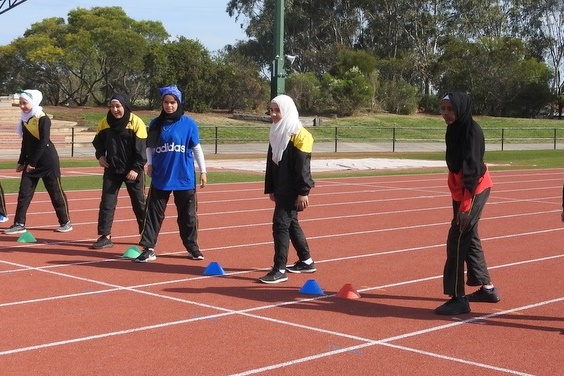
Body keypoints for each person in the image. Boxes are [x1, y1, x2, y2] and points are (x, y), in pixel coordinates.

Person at [434, 92, 500, 315]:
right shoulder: (454, 129)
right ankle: (488, 289)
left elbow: (471, 172)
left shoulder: (471, 131)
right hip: (460, 189)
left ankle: (458, 297)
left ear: (460, 109)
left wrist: (464, 207)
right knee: (469, 239)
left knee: (457, 239)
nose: (445, 114)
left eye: (450, 109)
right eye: (443, 109)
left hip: (473, 189)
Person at [134, 84, 207, 262]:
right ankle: (148, 248)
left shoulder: (189, 124)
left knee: (188, 216)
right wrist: (149, 164)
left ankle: (192, 248)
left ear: (178, 103)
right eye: (166, 102)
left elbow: (196, 148)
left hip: (184, 177)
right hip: (161, 177)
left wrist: (203, 171)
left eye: (172, 102)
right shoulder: (155, 123)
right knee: (153, 215)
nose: (169, 106)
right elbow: (150, 148)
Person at [258, 94, 316, 284]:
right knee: (291, 224)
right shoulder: (276, 131)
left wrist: (303, 191)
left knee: (280, 225)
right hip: (281, 187)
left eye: (277, 110)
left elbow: (302, 167)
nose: (273, 114)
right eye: (271, 110)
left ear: (287, 110)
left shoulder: (300, 135)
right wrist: (272, 188)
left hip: (293, 189)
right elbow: (271, 163)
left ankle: (279, 269)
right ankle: (306, 261)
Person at [4, 89, 72, 235]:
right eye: (20, 103)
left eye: (25, 103)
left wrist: (33, 162)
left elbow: (43, 142)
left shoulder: (42, 118)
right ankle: (19, 223)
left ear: (33, 102)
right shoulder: (24, 119)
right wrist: (21, 161)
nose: (22, 106)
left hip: (47, 161)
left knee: (55, 193)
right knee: (24, 193)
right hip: (31, 162)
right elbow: (25, 142)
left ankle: (65, 222)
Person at [91, 94, 147, 249]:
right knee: (107, 203)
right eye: (112, 106)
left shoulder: (136, 122)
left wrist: (136, 168)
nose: (115, 110)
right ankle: (105, 236)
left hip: (132, 171)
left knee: (139, 203)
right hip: (112, 169)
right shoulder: (104, 123)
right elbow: (98, 143)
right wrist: (100, 156)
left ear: (125, 106)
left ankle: (147, 235)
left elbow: (142, 150)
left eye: (118, 106)